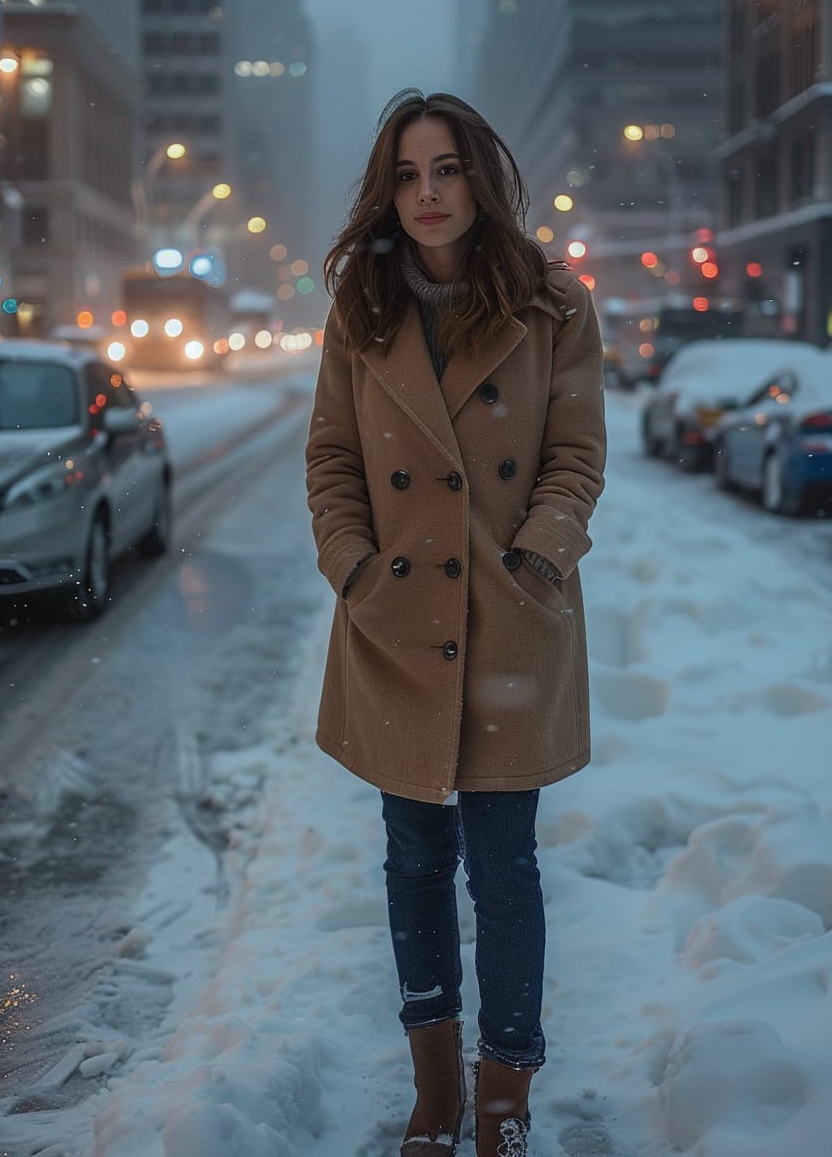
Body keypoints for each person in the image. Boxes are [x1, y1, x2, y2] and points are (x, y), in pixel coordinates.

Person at [305, 90, 606, 1156]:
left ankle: (502, 1098)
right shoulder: (362, 308)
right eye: (404, 175)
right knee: (414, 863)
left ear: (479, 176)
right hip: (397, 624)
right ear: (386, 193)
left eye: (443, 170)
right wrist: (352, 568)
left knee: (504, 868)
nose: (426, 194)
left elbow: (574, 455)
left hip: (506, 627)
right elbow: (334, 460)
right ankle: (435, 1092)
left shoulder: (550, 304)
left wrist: (536, 551)